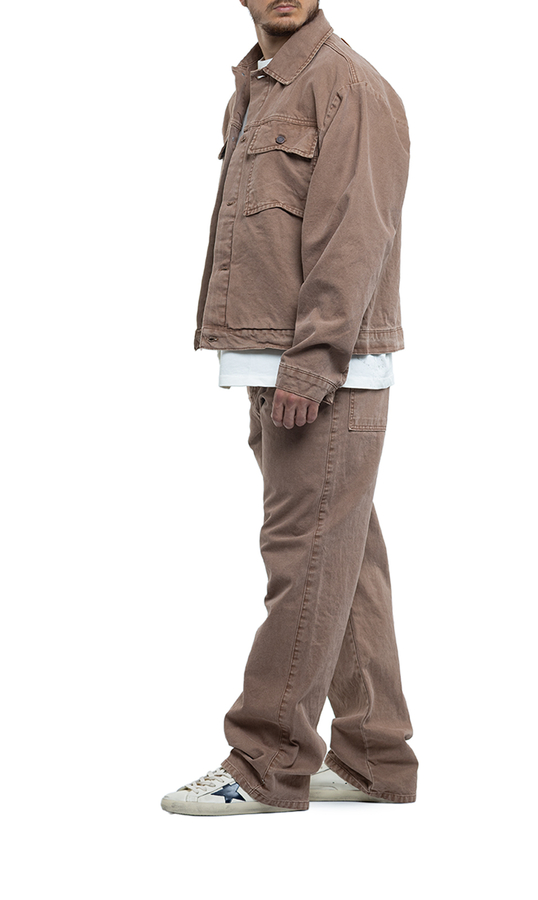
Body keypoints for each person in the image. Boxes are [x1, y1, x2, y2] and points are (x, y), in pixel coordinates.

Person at [161, 0, 418, 817]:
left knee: (302, 560)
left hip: (320, 371)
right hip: (277, 359)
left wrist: (312, 363)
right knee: (342, 559)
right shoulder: (261, 85)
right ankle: (376, 756)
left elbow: (357, 233)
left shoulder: (348, 86)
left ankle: (267, 762)